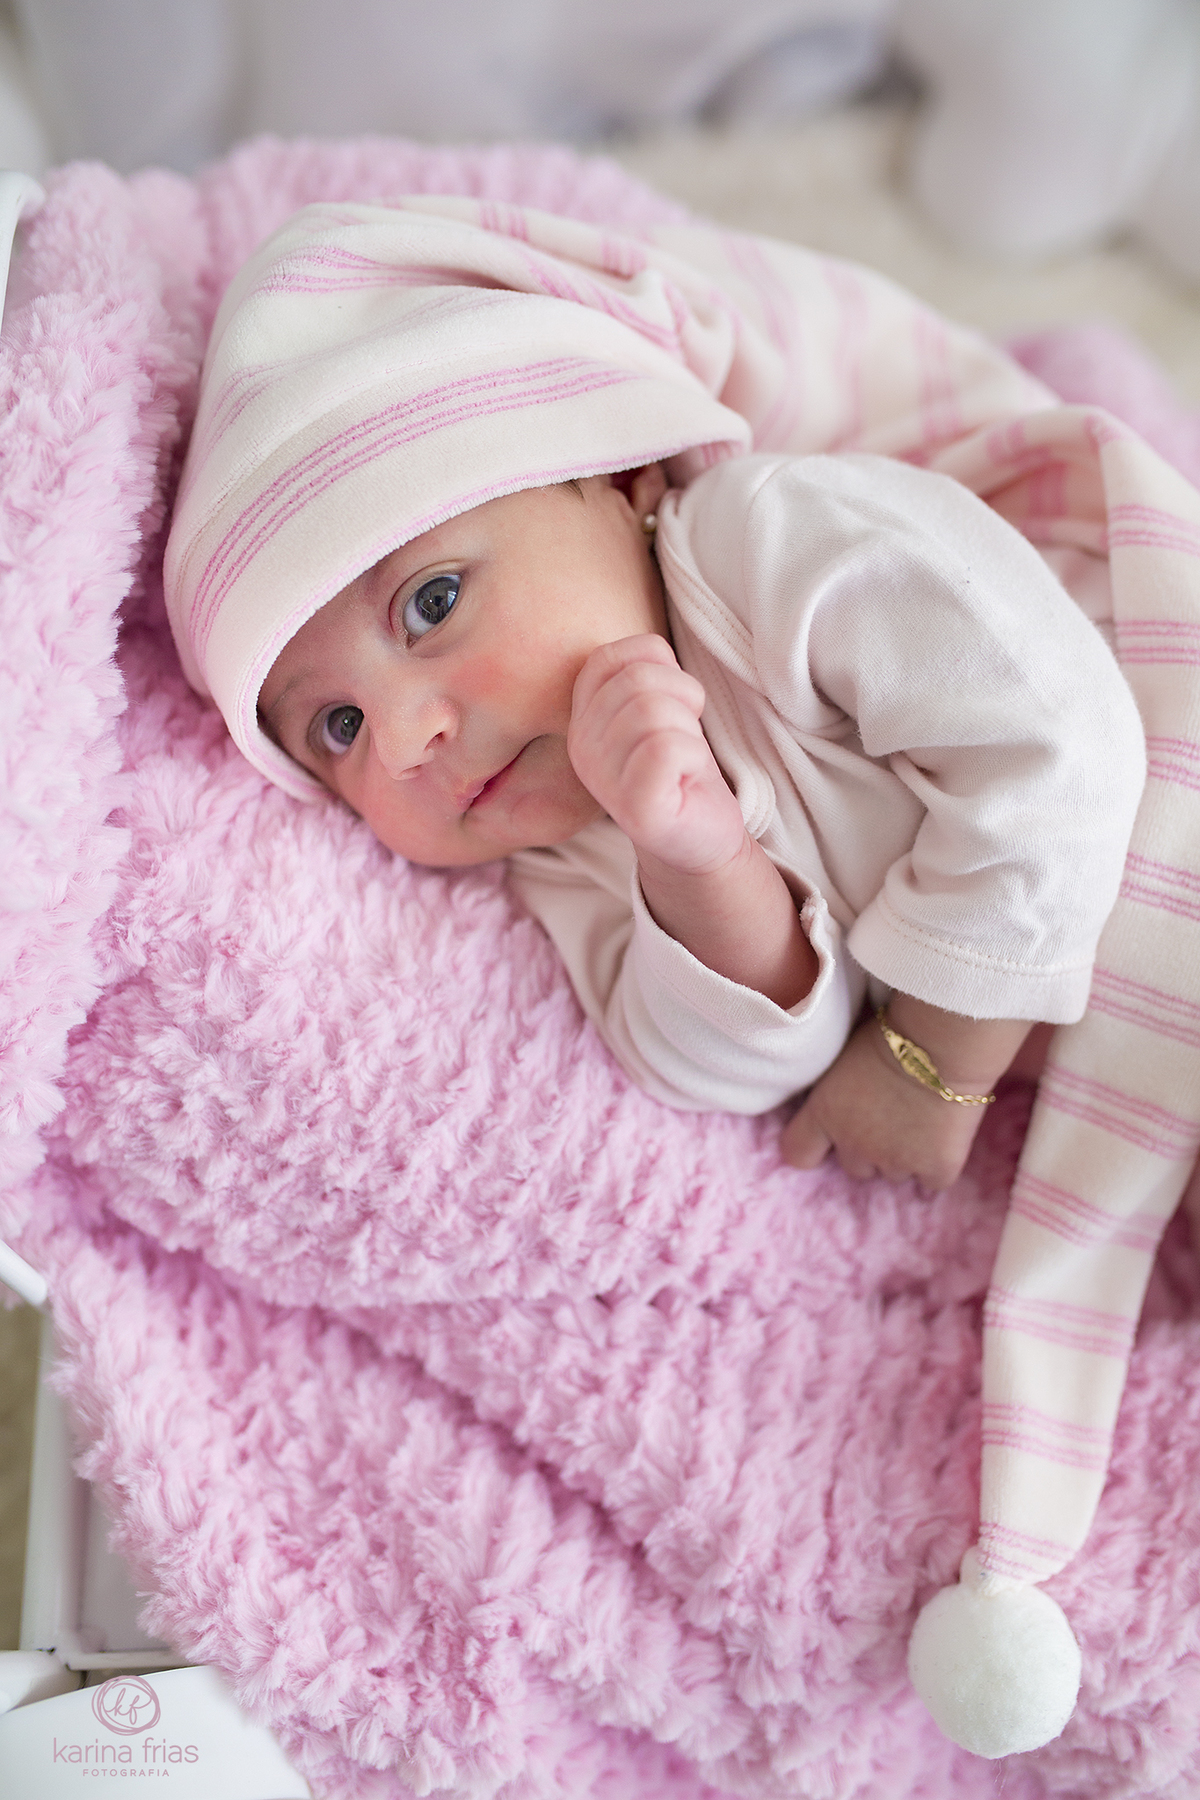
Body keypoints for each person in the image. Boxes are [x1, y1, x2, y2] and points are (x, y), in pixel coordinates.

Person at [164, 196, 1146, 1193]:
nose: (409, 738)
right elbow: (726, 1071)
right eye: (338, 727)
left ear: (618, 476)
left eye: (432, 601)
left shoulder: (765, 546)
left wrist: (932, 1065)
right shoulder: (553, 859)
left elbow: (1060, 739)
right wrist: (700, 867)